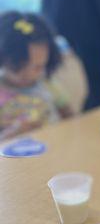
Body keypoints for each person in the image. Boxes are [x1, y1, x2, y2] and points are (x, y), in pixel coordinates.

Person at [0, 11, 71, 140]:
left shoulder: (47, 83)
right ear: (4, 59)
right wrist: (8, 136)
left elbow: (70, 116)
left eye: (38, 67)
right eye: (19, 68)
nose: (29, 75)